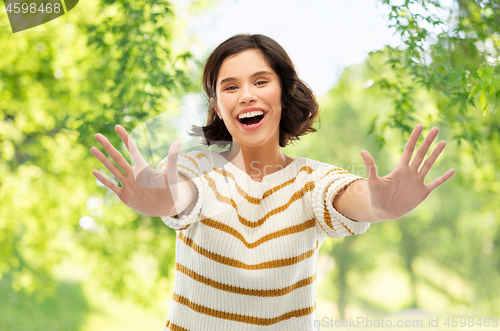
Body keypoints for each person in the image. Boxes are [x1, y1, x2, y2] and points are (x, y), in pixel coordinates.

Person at [90, 34, 456, 331]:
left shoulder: (311, 180)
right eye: (230, 87)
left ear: (283, 92)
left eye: (260, 81)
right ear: (217, 106)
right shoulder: (197, 166)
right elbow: (183, 193)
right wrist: (162, 198)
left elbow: (347, 196)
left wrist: (379, 204)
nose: (246, 94)